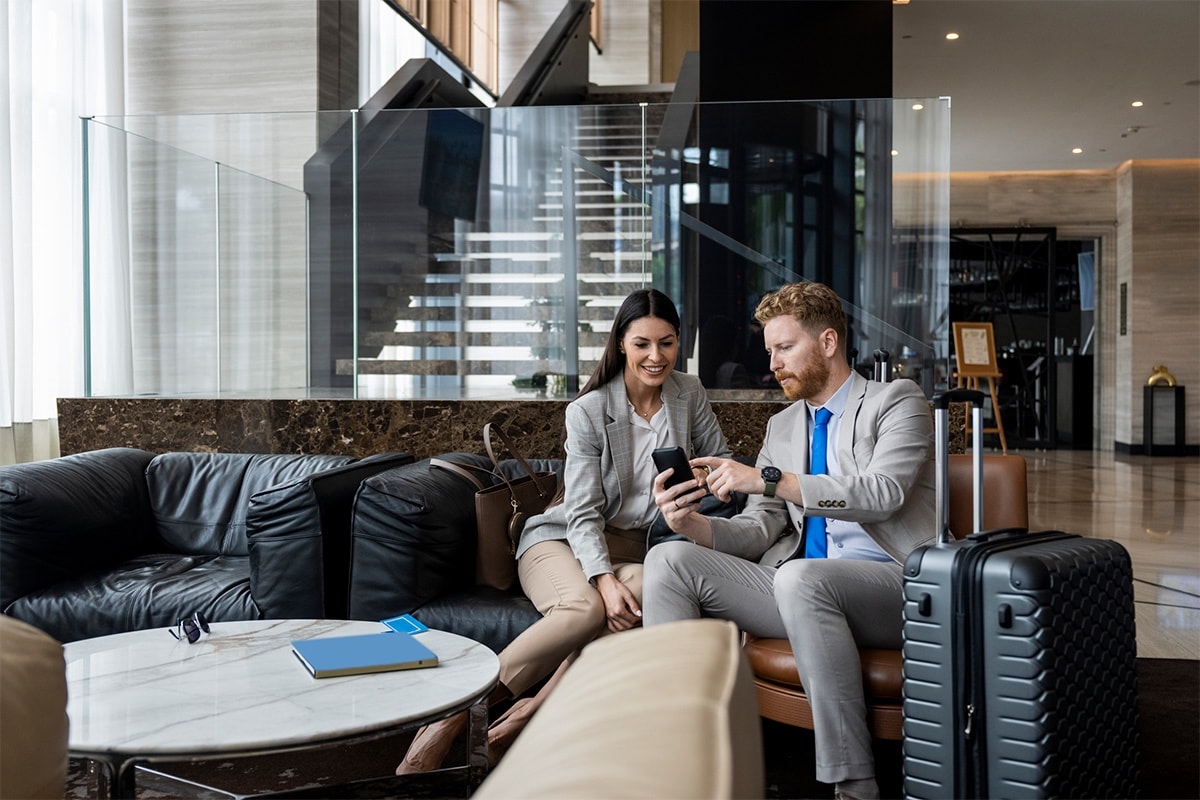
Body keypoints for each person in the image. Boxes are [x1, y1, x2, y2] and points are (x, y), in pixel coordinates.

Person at [398, 288, 731, 772]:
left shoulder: (688, 394)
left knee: (646, 598)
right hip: (561, 539)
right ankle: (449, 719)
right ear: (621, 344)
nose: (656, 357)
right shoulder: (590, 410)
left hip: (638, 548)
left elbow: (721, 463)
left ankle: (519, 720)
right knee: (584, 608)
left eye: (667, 343)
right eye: (642, 344)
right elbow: (581, 512)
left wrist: (702, 478)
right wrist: (603, 579)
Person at [642, 281, 935, 800]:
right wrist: (691, 525)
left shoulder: (897, 401)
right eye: (769, 350)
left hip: (897, 589)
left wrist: (770, 478)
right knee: (669, 559)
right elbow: (760, 528)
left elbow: (884, 491)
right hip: (804, 593)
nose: (773, 363)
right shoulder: (782, 426)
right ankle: (680, 768)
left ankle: (853, 784)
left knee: (802, 578)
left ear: (827, 342)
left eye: (784, 347)